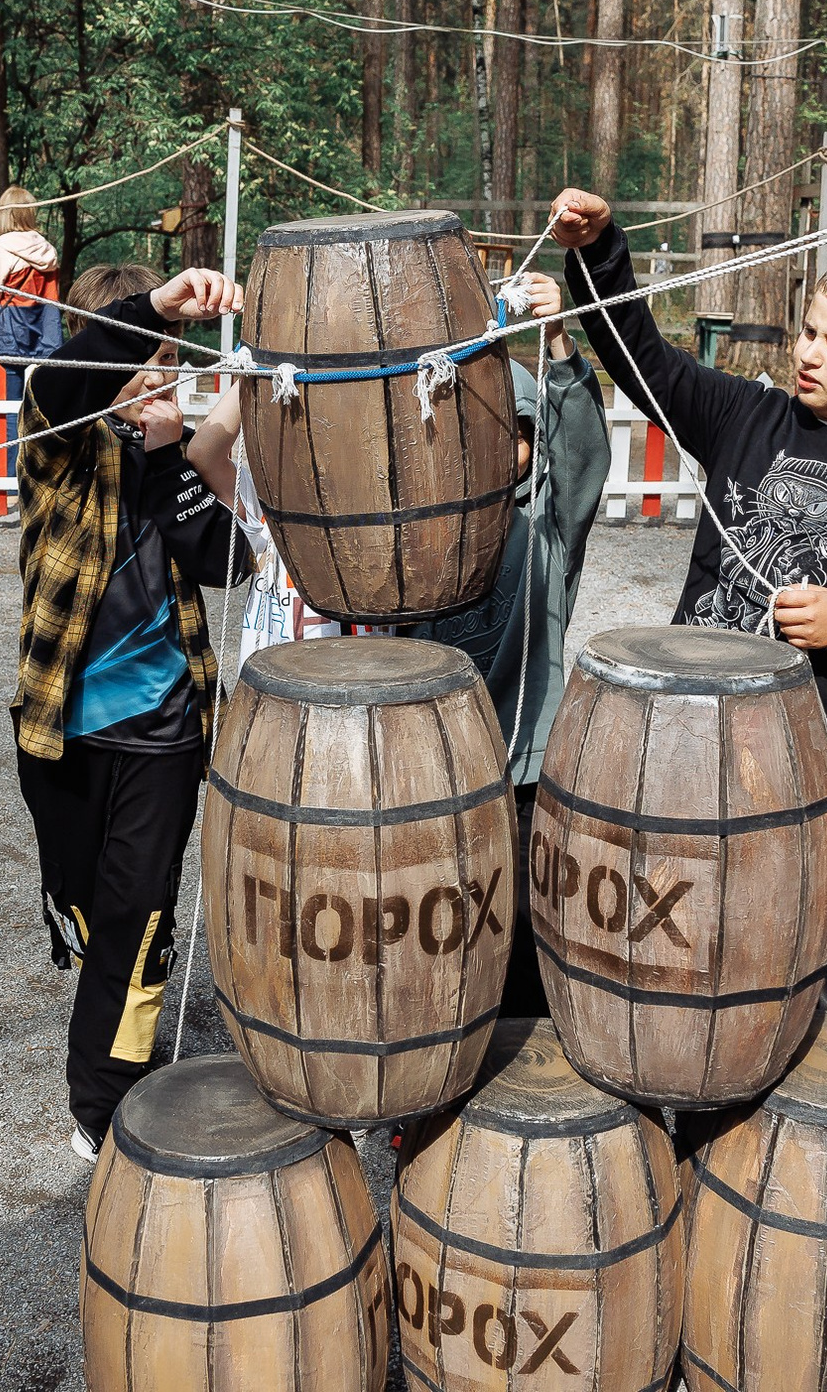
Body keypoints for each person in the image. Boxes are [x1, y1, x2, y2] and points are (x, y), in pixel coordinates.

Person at [551, 186, 827, 895]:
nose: (809, 354)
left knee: (784, 952)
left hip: (806, 771)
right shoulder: (745, 416)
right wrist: (600, 249)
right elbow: (639, 355)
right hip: (681, 733)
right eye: (809, 331)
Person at [210, 271, 611, 1017]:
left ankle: (515, 1062)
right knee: (430, 927)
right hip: (431, 763)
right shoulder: (423, 537)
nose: (505, 451)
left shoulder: (549, 533)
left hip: (520, 760)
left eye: (520, 436)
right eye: (487, 436)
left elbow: (581, 455)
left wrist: (558, 343)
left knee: (516, 926)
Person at [11, 262, 255, 1159]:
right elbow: (58, 378)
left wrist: (170, 458)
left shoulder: (170, 453)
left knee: (140, 917)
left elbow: (229, 563)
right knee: (84, 908)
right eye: (137, 358)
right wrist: (150, 309)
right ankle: (83, 934)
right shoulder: (57, 445)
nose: (152, 377)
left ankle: (101, 1101)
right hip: (62, 733)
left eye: (163, 359)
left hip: (162, 736)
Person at [0, 185, 64, 363]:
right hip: (46, 333)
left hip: (10, 336)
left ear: (3, 214)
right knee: (40, 390)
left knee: (8, 390)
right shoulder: (48, 251)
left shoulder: (0, 250)